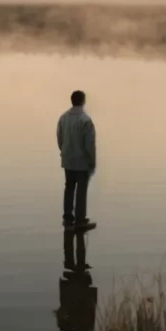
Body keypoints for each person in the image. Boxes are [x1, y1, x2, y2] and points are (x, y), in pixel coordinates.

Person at [56, 90, 96, 232]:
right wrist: (92, 160)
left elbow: (59, 138)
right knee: (81, 189)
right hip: (81, 161)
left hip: (68, 160)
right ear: (83, 101)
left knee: (69, 188)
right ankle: (80, 220)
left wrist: (64, 152)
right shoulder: (85, 120)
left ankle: (67, 218)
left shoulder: (63, 118)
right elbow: (89, 144)